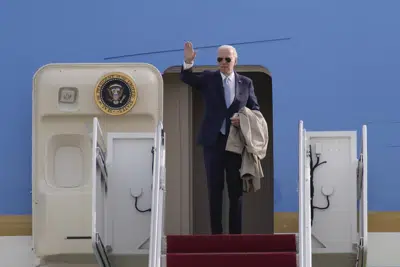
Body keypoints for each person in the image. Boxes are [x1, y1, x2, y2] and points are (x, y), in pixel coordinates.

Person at [180, 41, 260, 234]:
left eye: (227, 59)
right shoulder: (209, 78)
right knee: (214, 189)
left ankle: (235, 235)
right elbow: (187, 78)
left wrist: (243, 119)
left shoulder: (246, 83)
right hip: (213, 142)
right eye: (219, 59)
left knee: (235, 190)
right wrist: (188, 62)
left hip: (235, 143)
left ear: (235, 60)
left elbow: (255, 108)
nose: (223, 62)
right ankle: (216, 234)